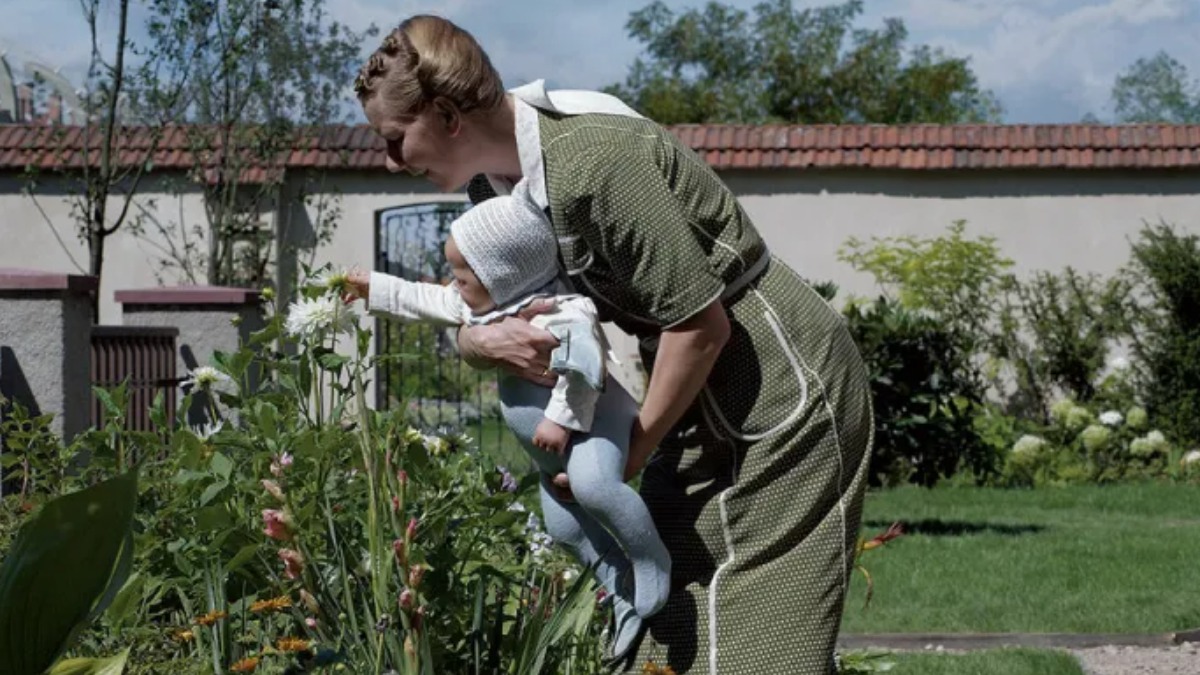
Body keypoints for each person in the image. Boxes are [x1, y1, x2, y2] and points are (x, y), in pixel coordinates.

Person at [353, 15, 875, 674]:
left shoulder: (594, 161)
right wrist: (478, 344)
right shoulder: (498, 192)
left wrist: (631, 452)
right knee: (667, 615)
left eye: (396, 139)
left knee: (763, 640)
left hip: (776, 380)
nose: (392, 160)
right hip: (691, 391)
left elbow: (699, 326)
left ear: (448, 115)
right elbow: (481, 312)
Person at [345, 190, 670, 659]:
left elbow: (585, 369)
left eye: (461, 274)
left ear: (502, 275)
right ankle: (619, 586)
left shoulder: (563, 311)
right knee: (563, 527)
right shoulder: (483, 308)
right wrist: (371, 287)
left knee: (596, 486)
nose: (452, 285)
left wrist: (559, 421)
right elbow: (424, 297)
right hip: (550, 454)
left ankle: (650, 559)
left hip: (593, 425)